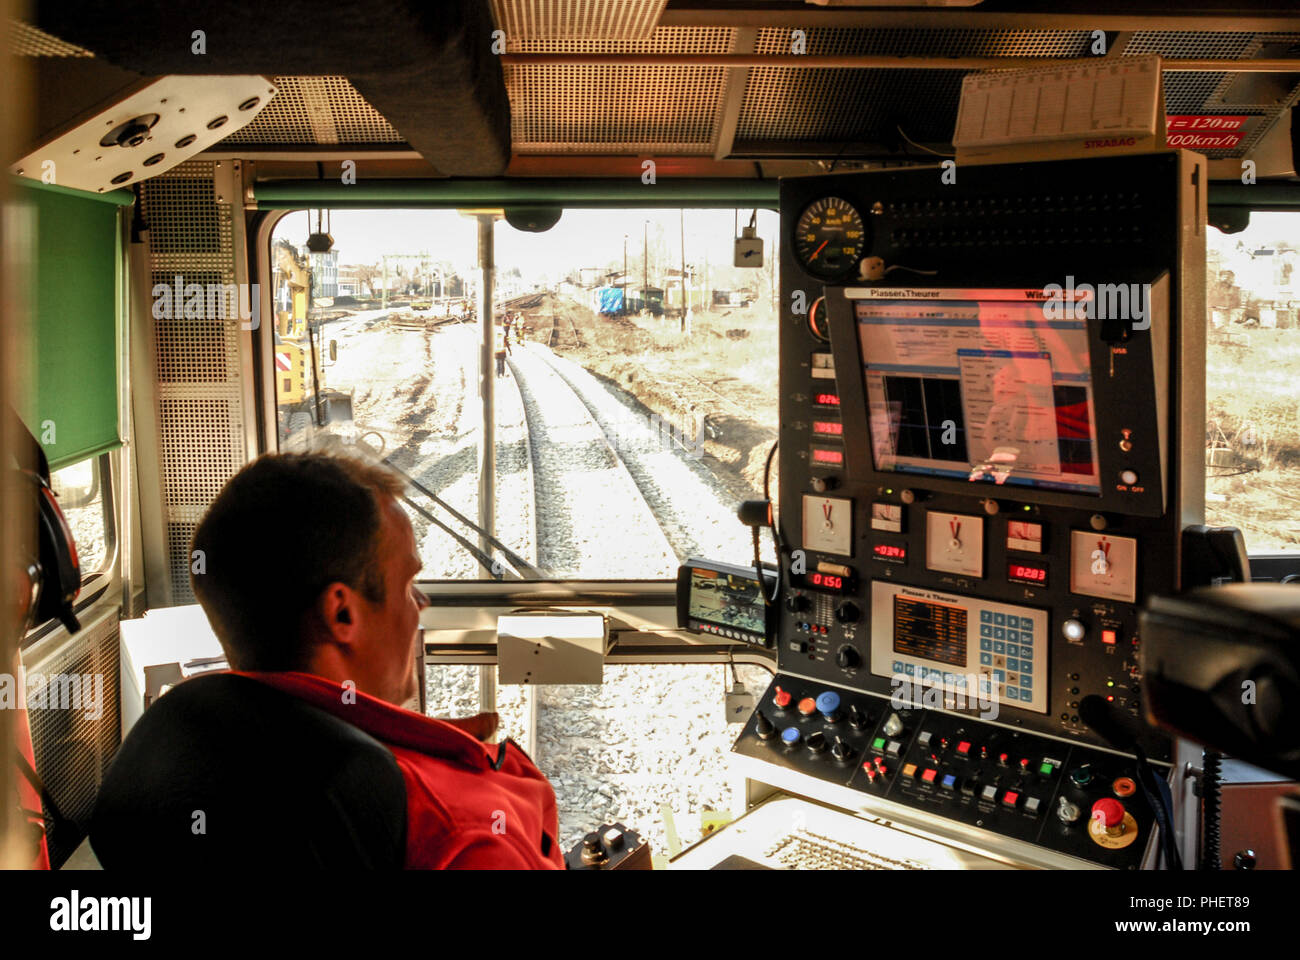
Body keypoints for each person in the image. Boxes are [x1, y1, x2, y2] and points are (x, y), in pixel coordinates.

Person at [187, 453, 563, 868]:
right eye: (408, 585)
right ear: (342, 615)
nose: (421, 604)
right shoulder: (465, 838)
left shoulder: (209, 742)